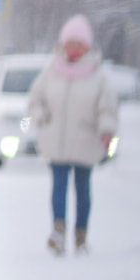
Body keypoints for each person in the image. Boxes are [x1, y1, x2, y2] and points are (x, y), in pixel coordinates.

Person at [26, 14, 119, 255]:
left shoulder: (98, 76)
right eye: (70, 43)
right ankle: (58, 231)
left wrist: (106, 130)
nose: (73, 49)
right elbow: (35, 99)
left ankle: (80, 234)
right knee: (58, 187)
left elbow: (106, 109)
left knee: (82, 189)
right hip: (55, 141)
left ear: (87, 46)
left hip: (85, 142)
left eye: (78, 44)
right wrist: (40, 117)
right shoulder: (51, 71)